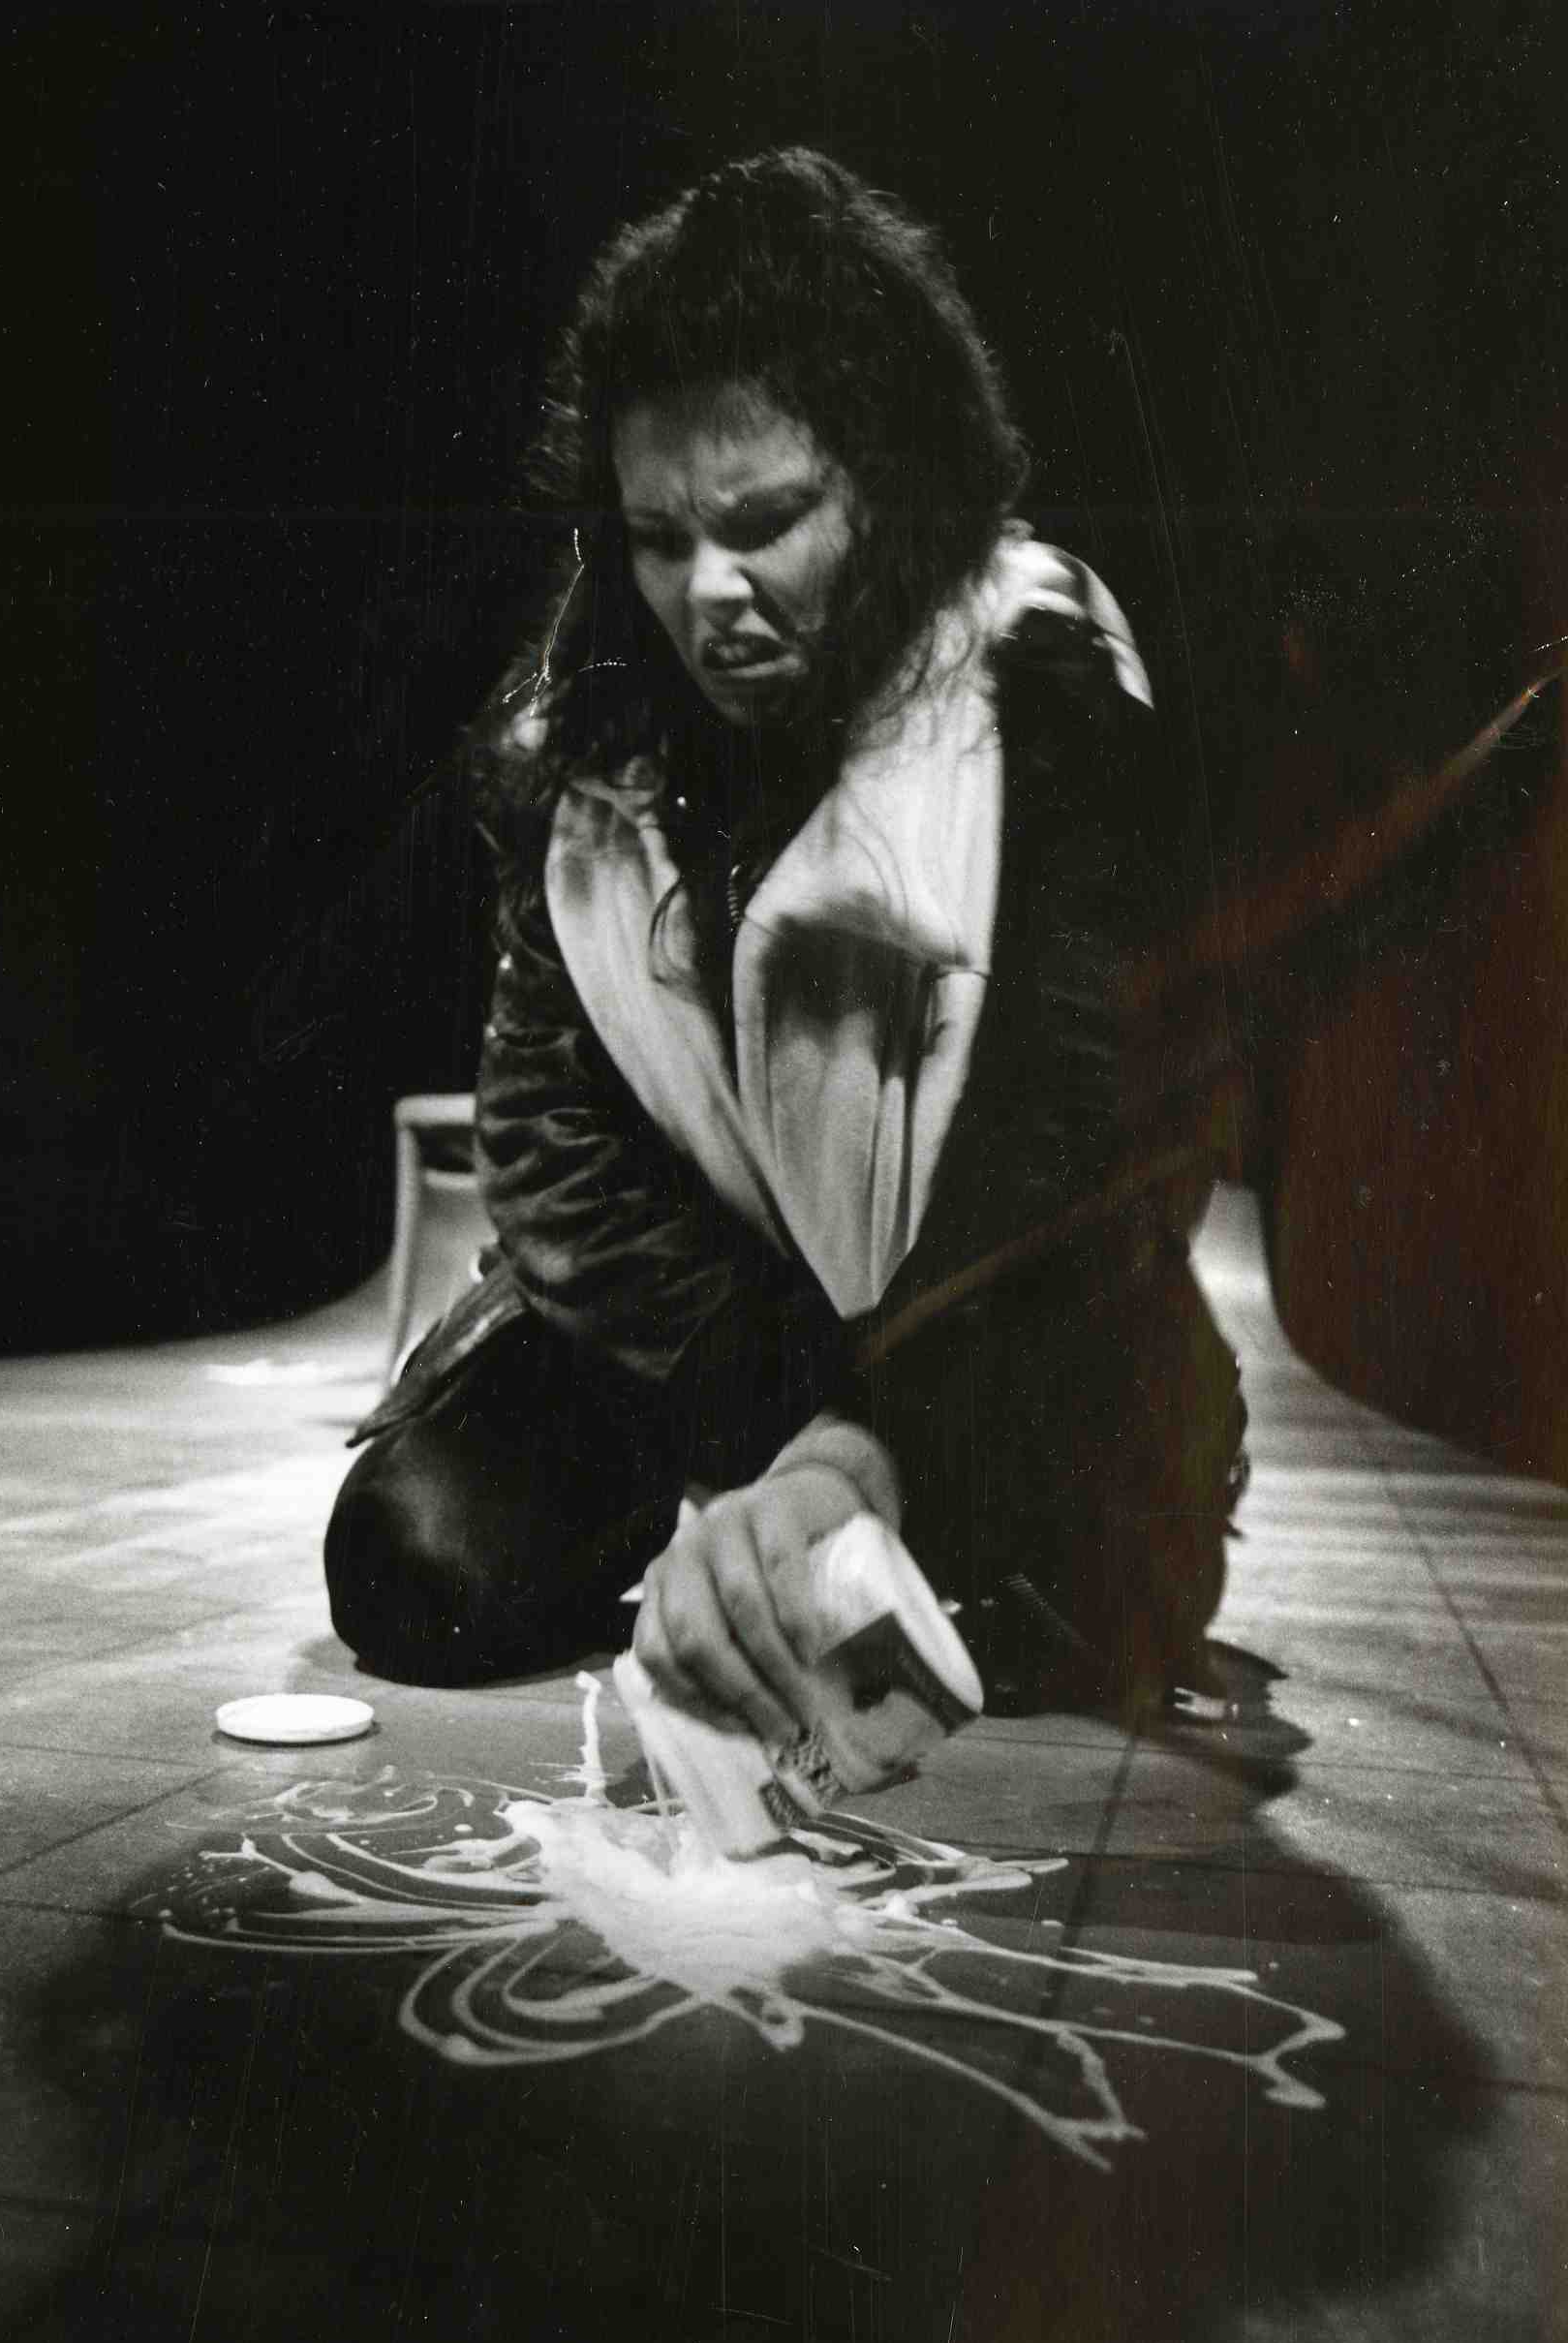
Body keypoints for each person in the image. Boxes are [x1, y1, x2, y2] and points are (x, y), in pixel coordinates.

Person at [325, 147, 1246, 1742]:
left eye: (766, 523)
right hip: (717, 1333)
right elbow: (554, 1152)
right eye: (659, 536)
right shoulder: (574, 742)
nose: (710, 593)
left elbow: (1077, 1140)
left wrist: (863, 1451)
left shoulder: (1042, 681)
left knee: (1077, 1627)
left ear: (888, 479)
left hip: (1005, 1322)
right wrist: (777, 1432)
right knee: (417, 1561)